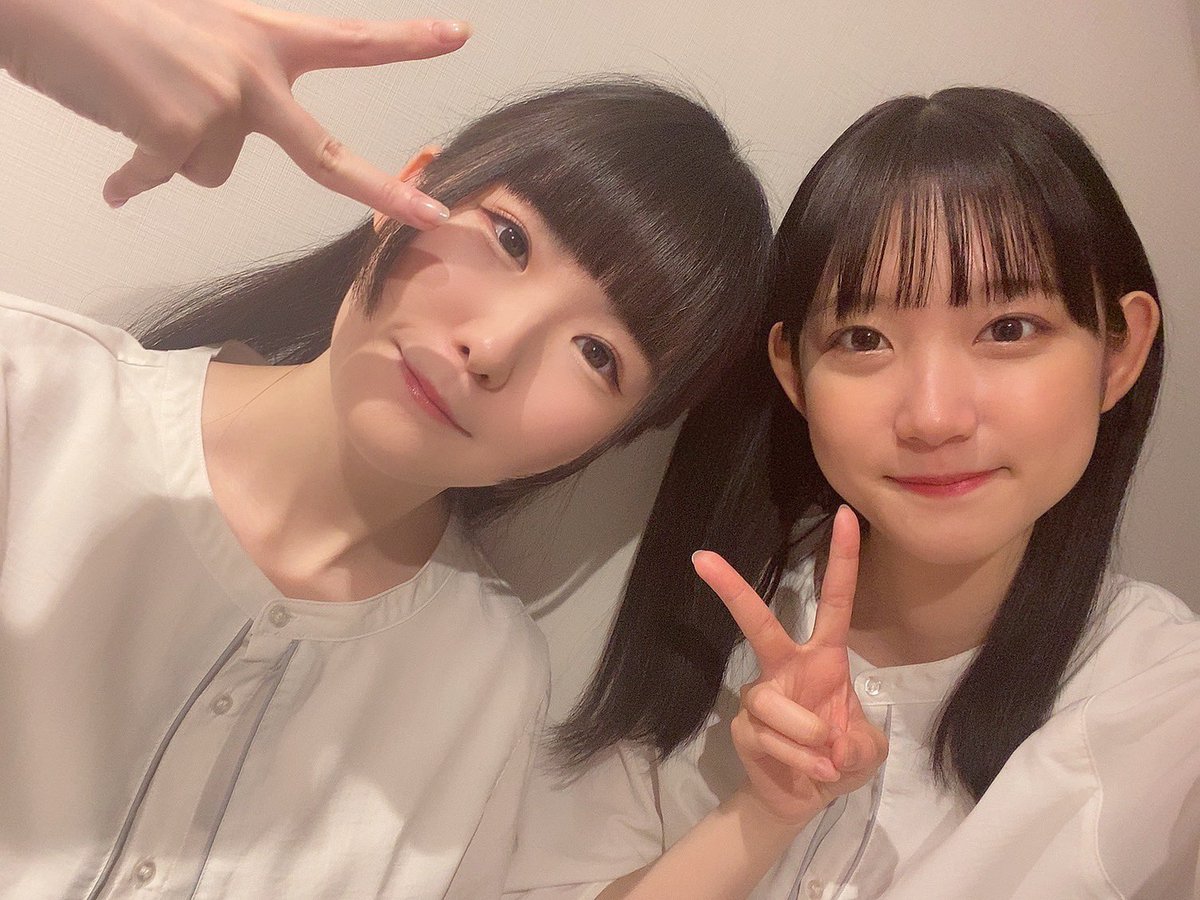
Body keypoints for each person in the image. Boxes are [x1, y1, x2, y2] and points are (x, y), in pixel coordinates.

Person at [0, 9, 775, 898]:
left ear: (619, 434)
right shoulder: (33, 398)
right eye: (510, 239)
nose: (492, 347)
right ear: (407, 188)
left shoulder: (482, 682)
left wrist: (771, 810)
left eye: (599, 354)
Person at [506, 86, 1200, 899]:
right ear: (793, 372)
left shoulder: (1167, 706)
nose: (933, 417)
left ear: (1119, 352)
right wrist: (763, 813)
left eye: (1009, 328)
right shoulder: (711, 621)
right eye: (863, 338)